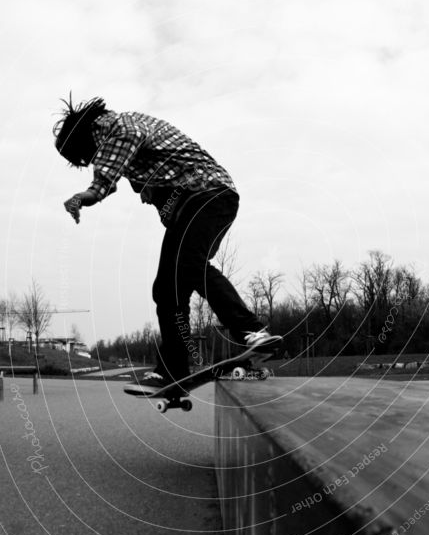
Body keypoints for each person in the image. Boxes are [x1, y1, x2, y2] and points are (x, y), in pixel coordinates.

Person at [54, 95, 279, 386]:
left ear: (84, 141)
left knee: (190, 264)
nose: (92, 162)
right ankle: (172, 370)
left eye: (87, 158)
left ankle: (252, 332)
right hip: (193, 206)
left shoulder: (118, 126)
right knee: (166, 289)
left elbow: (122, 146)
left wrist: (93, 191)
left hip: (209, 195)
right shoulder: (127, 138)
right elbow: (119, 163)